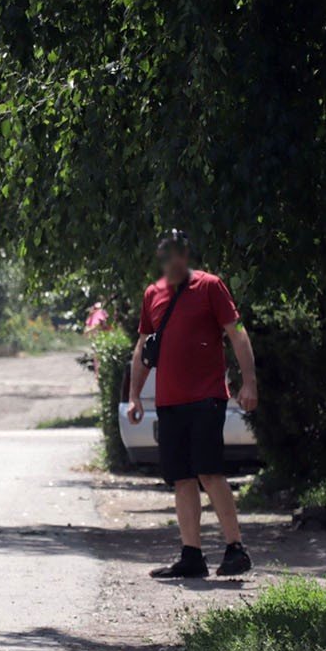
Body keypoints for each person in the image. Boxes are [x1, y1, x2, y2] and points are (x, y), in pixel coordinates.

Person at [127, 230, 258, 579]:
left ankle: (235, 548)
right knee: (182, 478)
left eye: (179, 252)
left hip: (206, 398)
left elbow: (237, 333)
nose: (174, 258)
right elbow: (143, 348)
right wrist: (134, 395)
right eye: (167, 253)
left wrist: (249, 382)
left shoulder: (210, 286)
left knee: (209, 472)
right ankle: (191, 555)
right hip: (170, 402)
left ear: (187, 254)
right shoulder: (152, 294)